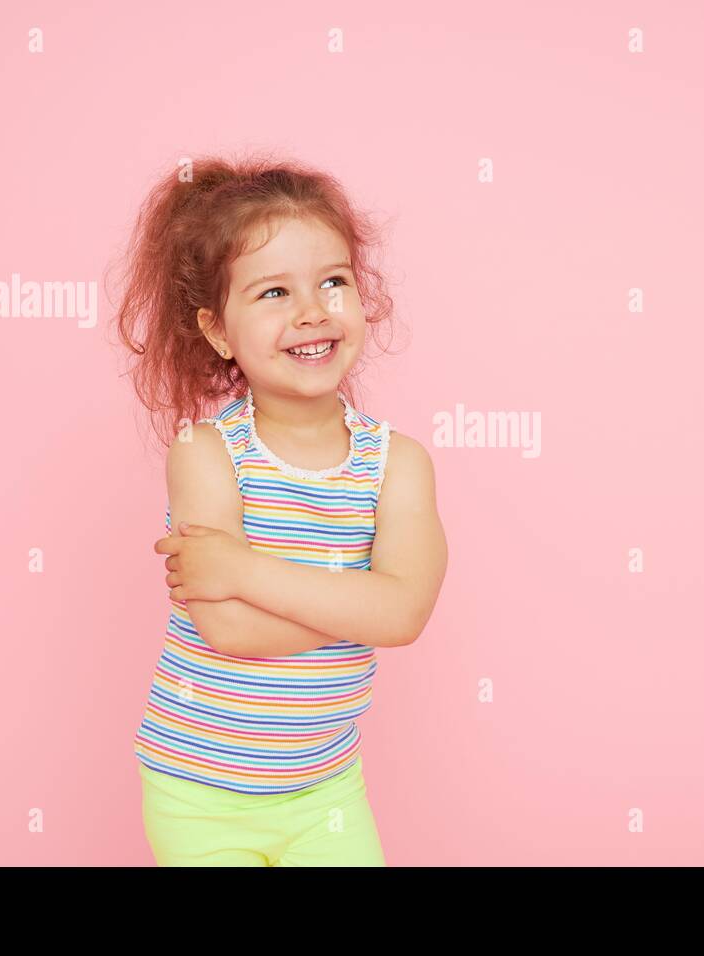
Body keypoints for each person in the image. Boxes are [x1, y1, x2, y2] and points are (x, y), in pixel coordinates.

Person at [110, 153, 448, 865]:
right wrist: (360, 604)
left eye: (333, 282)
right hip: (197, 791)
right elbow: (229, 628)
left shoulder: (398, 466)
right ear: (218, 331)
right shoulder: (204, 453)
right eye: (273, 293)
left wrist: (237, 565)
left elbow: (404, 616)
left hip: (324, 792)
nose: (312, 312)